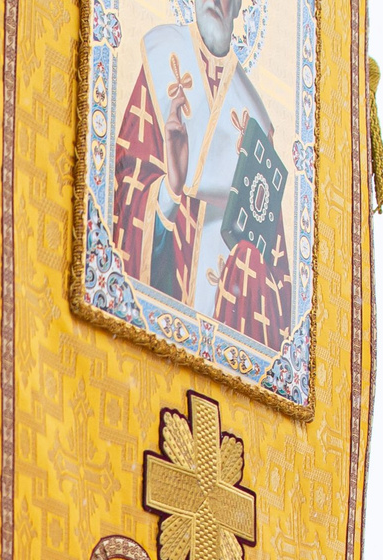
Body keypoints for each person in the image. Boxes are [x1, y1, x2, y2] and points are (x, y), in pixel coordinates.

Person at [108, 0, 290, 347]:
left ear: (239, 7)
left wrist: (246, 270)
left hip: (228, 345)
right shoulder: (161, 57)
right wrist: (170, 190)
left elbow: (276, 270)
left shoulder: (257, 119)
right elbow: (123, 196)